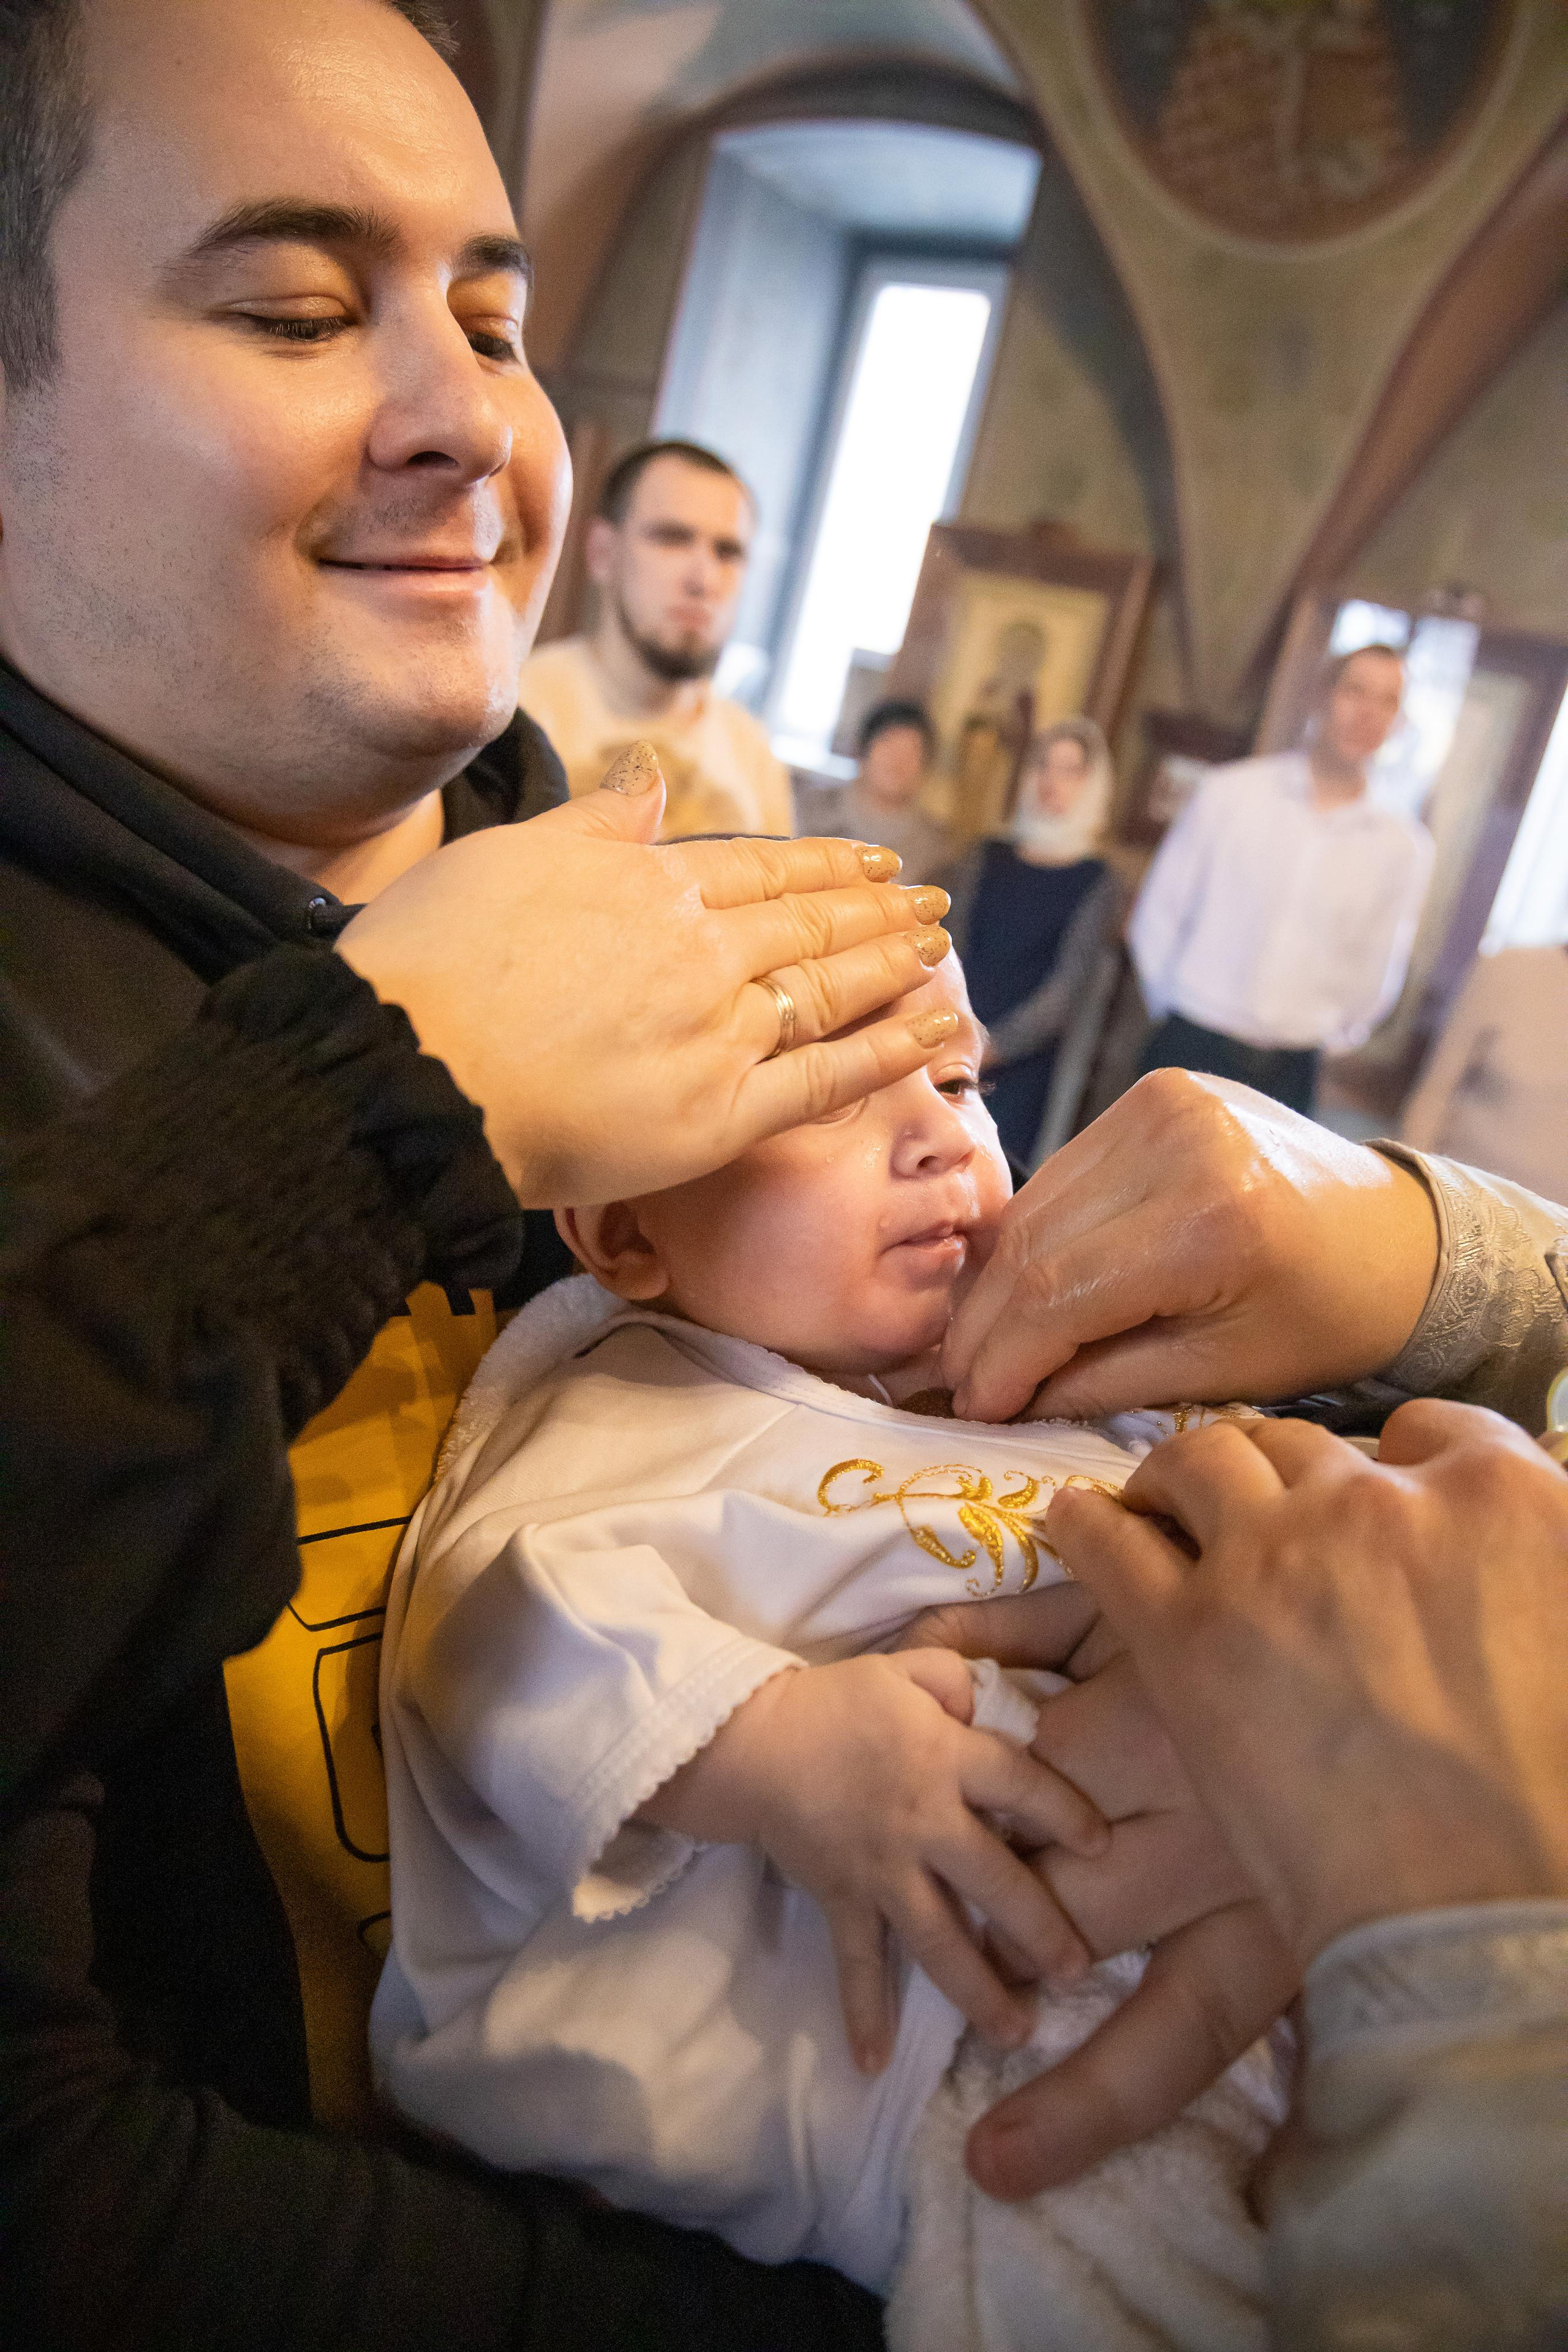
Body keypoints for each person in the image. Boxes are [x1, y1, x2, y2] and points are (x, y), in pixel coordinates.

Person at [0, 2, 957, 2343]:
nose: (473, 421)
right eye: (301, 310)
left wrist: (1414, 1277)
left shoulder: (693, 895)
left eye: (499, 319)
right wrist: (378, 1100)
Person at [375, 952, 1291, 2351]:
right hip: (954, 2063)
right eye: (832, 1093)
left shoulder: (1026, 1379)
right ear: (626, 1230)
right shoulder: (635, 1407)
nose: (936, 1130)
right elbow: (495, 1637)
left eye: (958, 1076)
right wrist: (784, 1748)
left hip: (1264, 1919)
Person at [1129, 645, 1433, 1115]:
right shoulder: (1230, 794)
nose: (1368, 713)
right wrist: (1175, 1005)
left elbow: (1378, 966)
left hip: (1291, 1068)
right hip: (1192, 1039)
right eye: (1355, 691)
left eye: (1388, 701)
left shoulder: (1402, 846)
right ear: (1322, 696)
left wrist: (1325, 1035)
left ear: (1399, 721)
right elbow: (1159, 914)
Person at [518, 439, 794, 839]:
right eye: (672, 538)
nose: (704, 579)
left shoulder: (751, 753)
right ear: (602, 553)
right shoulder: (518, 714)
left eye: (728, 552)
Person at [941, 717, 1120, 1165]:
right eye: (1044, 764)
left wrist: (989, 1048)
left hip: (1020, 1069)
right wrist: (952, 1032)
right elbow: (949, 948)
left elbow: (1064, 992)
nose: (1052, 781)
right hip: (947, 1040)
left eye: (1071, 770)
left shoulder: (1096, 881)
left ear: (1092, 785)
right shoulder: (986, 855)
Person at [1401, 941, 1568, 1204]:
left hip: (1559, 1230)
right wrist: (1409, 1183)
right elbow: (1436, 1090)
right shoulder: (1510, 970)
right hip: (1460, 1200)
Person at [810, 699, 952, 885]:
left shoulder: (937, 849)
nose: (898, 760)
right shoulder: (811, 810)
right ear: (863, 749)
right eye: (888, 743)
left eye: (912, 750)